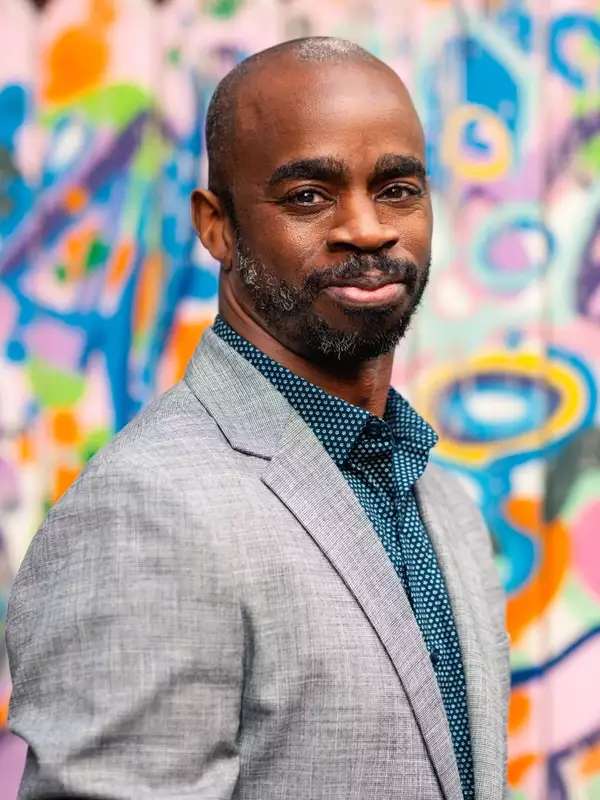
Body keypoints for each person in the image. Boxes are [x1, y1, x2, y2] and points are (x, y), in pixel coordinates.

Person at [7, 37, 509, 800]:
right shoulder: (145, 514)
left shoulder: (441, 501)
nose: (368, 229)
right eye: (309, 195)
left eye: (398, 189)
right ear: (217, 226)